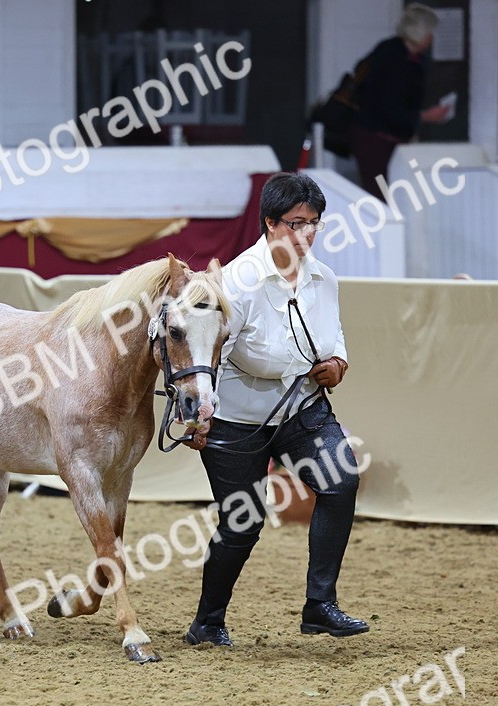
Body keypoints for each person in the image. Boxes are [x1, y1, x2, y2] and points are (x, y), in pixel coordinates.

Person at [183, 172, 368, 647]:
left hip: (301, 404)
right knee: (243, 522)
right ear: (270, 224)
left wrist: (338, 361)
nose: (307, 234)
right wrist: (197, 415)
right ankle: (207, 622)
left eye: (314, 224)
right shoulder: (236, 283)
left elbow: (334, 330)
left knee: (341, 478)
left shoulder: (324, 277)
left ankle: (319, 606)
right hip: (235, 418)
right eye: (296, 223)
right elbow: (207, 350)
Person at [349, 3, 450, 199]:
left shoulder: (409, 57)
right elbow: (390, 108)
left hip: (390, 141)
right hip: (375, 140)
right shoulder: (394, 58)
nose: (432, 38)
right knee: (380, 196)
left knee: (397, 194)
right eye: (430, 32)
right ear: (419, 32)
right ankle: (381, 229)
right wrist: (425, 117)